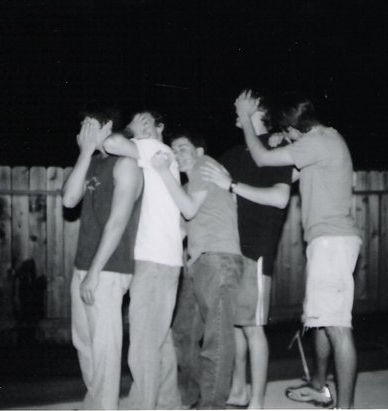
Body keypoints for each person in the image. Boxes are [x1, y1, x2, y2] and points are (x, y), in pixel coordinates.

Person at [235, 90, 361, 408]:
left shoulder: (318, 142)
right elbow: (283, 168)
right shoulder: (323, 142)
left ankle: (345, 407)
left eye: (288, 130)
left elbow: (262, 159)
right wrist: (279, 140)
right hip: (327, 241)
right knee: (320, 319)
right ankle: (318, 386)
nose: (287, 136)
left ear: (296, 127)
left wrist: (247, 121)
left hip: (331, 242)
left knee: (337, 327)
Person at [199, 93, 293, 409]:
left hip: (257, 249)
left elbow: (280, 198)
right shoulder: (233, 154)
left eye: (244, 105)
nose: (235, 108)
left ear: (260, 111)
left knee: (253, 328)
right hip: (229, 250)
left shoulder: (278, 150)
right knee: (236, 325)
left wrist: (232, 185)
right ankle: (239, 390)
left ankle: (258, 402)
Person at [152, 132, 243, 409]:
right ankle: (192, 398)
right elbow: (181, 228)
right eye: (173, 149)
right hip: (197, 263)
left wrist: (162, 172)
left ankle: (212, 405)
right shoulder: (190, 185)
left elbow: (189, 210)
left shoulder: (206, 166)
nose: (177, 154)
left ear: (199, 151)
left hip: (218, 260)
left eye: (183, 148)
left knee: (216, 338)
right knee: (183, 333)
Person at [62, 103, 143, 410]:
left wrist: (95, 271)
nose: (83, 132)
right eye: (81, 126)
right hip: (83, 264)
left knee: (105, 347)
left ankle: (106, 407)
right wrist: (85, 153)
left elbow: (118, 221)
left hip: (109, 267)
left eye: (90, 126)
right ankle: (95, 403)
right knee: (84, 343)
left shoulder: (127, 163)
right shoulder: (93, 162)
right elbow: (69, 199)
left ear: (108, 127)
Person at [103, 111, 183, 409]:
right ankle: (167, 402)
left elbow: (111, 143)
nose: (142, 125)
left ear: (161, 128)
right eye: (139, 120)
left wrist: (130, 129)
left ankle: (142, 405)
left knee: (144, 342)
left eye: (147, 121)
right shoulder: (157, 156)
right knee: (159, 338)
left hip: (153, 260)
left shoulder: (155, 149)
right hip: (164, 260)